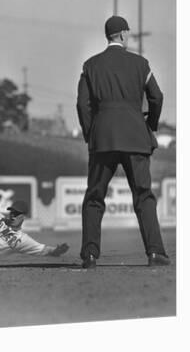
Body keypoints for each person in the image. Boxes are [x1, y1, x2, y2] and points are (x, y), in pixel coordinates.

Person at [76, 15, 170, 269]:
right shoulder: (140, 63)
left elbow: (82, 104)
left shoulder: (91, 65)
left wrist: (90, 133)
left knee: (94, 197)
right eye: (127, 33)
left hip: (103, 138)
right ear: (123, 34)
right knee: (143, 196)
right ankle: (155, 253)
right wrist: (149, 125)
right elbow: (157, 97)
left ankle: (90, 255)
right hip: (135, 137)